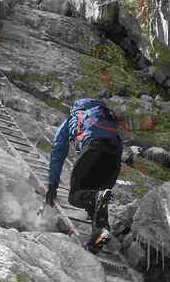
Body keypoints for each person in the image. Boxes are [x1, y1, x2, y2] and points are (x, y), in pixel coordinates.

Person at [46, 97, 123, 251]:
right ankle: (101, 233)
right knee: (96, 199)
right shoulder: (105, 115)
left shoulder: (74, 119)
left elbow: (57, 152)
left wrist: (52, 185)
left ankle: (99, 222)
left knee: (76, 196)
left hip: (93, 150)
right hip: (114, 158)